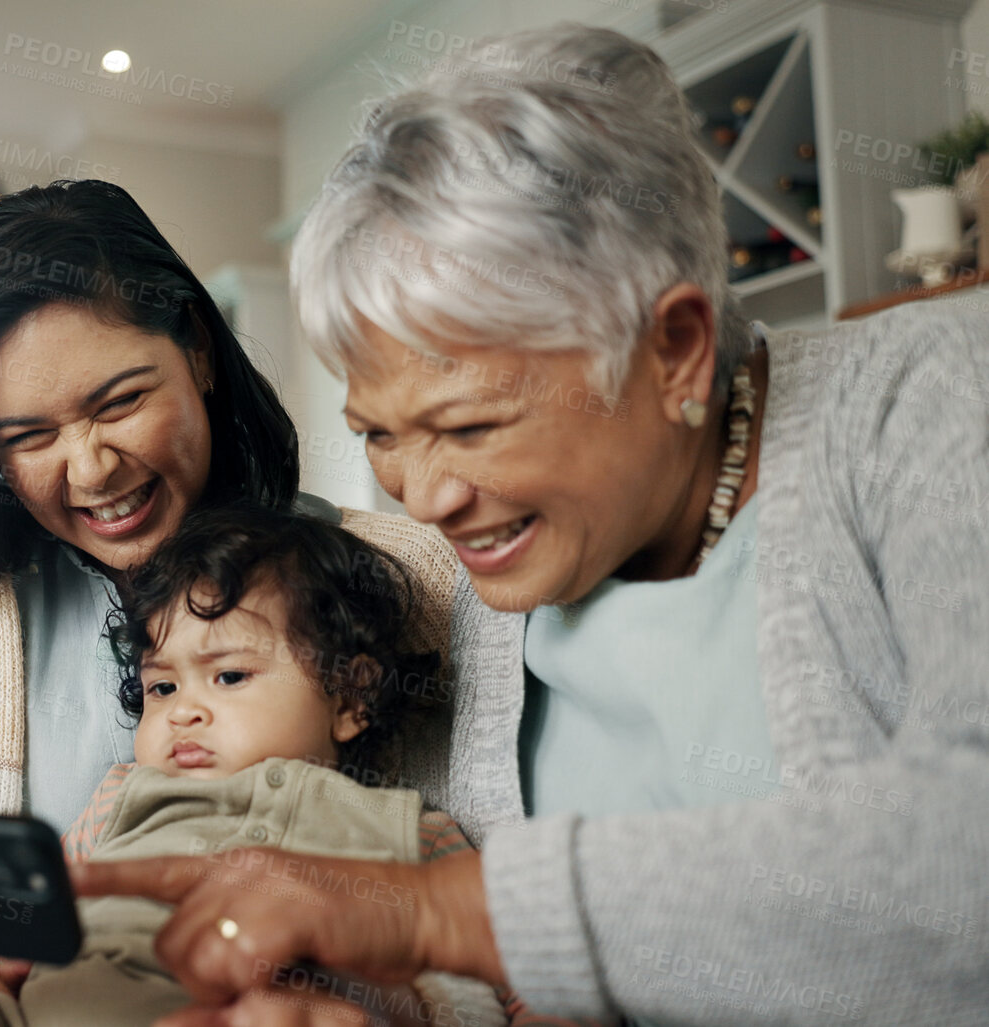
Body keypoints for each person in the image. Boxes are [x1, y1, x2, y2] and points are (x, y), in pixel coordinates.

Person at [74, 24, 989, 1026]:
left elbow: (963, 862)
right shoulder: (487, 578)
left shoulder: (940, 393)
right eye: (379, 434)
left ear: (675, 348)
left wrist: (451, 911)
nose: (422, 498)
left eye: (470, 425)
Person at [0, 180, 463, 1006]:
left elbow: (490, 935)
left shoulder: (411, 579)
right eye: (28, 436)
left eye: (120, 402)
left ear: (198, 351)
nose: (92, 468)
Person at [0, 501, 507, 1027]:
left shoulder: (407, 826)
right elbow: (41, 909)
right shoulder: (122, 795)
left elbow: (498, 968)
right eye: (162, 687)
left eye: (227, 675)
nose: (181, 711)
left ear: (350, 696)